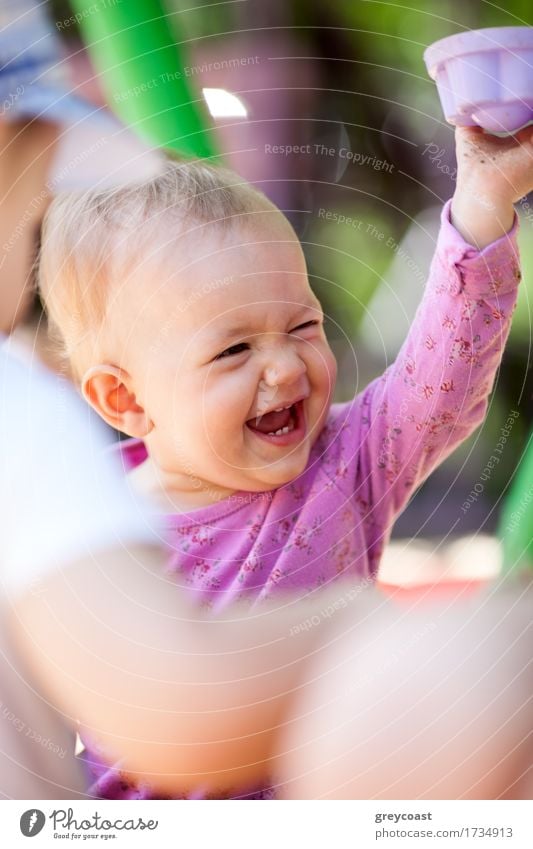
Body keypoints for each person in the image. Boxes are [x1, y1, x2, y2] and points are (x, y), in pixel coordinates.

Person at [36, 124, 532, 799]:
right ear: (124, 398)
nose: (283, 364)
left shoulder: (346, 460)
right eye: (233, 350)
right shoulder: (100, 534)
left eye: (303, 326)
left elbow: (437, 378)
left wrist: (482, 202)